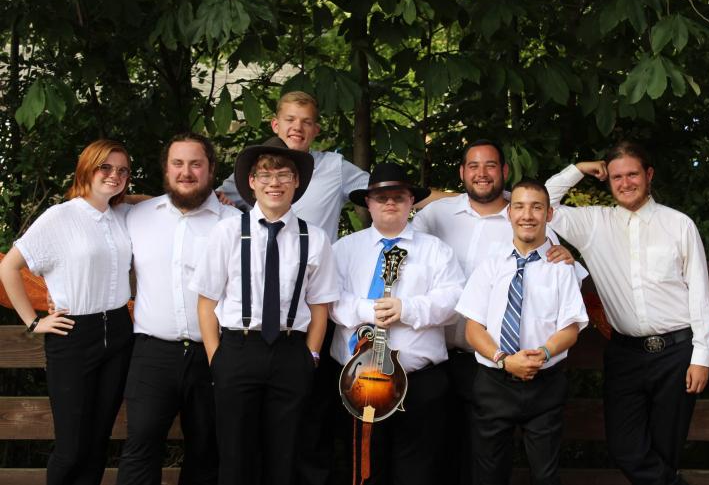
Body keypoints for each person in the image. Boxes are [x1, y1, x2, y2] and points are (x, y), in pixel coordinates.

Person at [411, 139, 583, 485]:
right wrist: (504, 360)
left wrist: (566, 256)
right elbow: (404, 237)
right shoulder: (440, 218)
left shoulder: (550, 255)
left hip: (528, 371)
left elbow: (570, 322)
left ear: (504, 172)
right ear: (461, 172)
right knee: (456, 453)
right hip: (456, 357)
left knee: (536, 467)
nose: (482, 173)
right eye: (473, 166)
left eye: (490, 165)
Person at [544, 141, 709, 485]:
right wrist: (579, 168)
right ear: (607, 180)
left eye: (632, 174)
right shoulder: (593, 224)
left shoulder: (678, 225)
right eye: (617, 176)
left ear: (648, 175)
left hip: (677, 353)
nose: (625, 183)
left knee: (666, 450)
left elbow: (699, 291)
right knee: (625, 448)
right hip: (625, 354)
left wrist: (702, 356)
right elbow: (541, 203)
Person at [190, 137, 339, 485]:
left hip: (291, 353)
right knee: (235, 456)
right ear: (252, 182)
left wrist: (311, 356)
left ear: (297, 181)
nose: (275, 182)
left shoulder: (313, 238)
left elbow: (320, 307)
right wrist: (218, 359)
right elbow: (206, 303)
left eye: (284, 174)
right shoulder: (227, 232)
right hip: (238, 351)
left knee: (285, 454)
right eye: (266, 175)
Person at [0, 139, 134, 485]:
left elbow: (158, 205)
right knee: (71, 446)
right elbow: (8, 268)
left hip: (119, 332)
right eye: (105, 167)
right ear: (87, 168)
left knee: (97, 442)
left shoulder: (121, 215)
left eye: (122, 170)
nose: (114, 175)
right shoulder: (60, 217)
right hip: (74, 336)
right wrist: (33, 321)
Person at [330, 162, 466, 485]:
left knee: (417, 471)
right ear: (368, 202)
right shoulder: (343, 249)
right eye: (381, 197)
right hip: (358, 379)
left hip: (421, 383)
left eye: (399, 196)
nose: (390, 203)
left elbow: (454, 301)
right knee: (363, 470)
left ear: (410, 202)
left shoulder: (436, 251)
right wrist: (368, 310)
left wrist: (407, 308)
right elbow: (329, 299)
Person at [115, 133, 240, 485]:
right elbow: (90, 242)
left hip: (214, 353)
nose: (187, 172)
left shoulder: (235, 225)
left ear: (211, 170)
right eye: (178, 163)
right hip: (152, 354)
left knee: (207, 452)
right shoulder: (137, 216)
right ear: (166, 170)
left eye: (196, 163)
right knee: (140, 448)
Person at [456, 178, 588, 485]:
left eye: (536, 207)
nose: (527, 215)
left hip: (545, 383)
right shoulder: (490, 263)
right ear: (509, 214)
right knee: (488, 474)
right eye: (519, 206)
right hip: (494, 383)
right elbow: (473, 328)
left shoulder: (561, 267)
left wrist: (540, 355)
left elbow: (570, 330)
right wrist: (504, 359)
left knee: (545, 474)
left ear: (548, 214)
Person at [217, 91, 370, 240]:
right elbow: (213, 204)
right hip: (262, 262)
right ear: (275, 125)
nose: (297, 127)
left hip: (318, 262)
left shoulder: (334, 166)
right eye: (290, 120)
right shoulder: (255, 168)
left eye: (307, 122)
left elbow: (382, 192)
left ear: (316, 130)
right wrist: (224, 203)